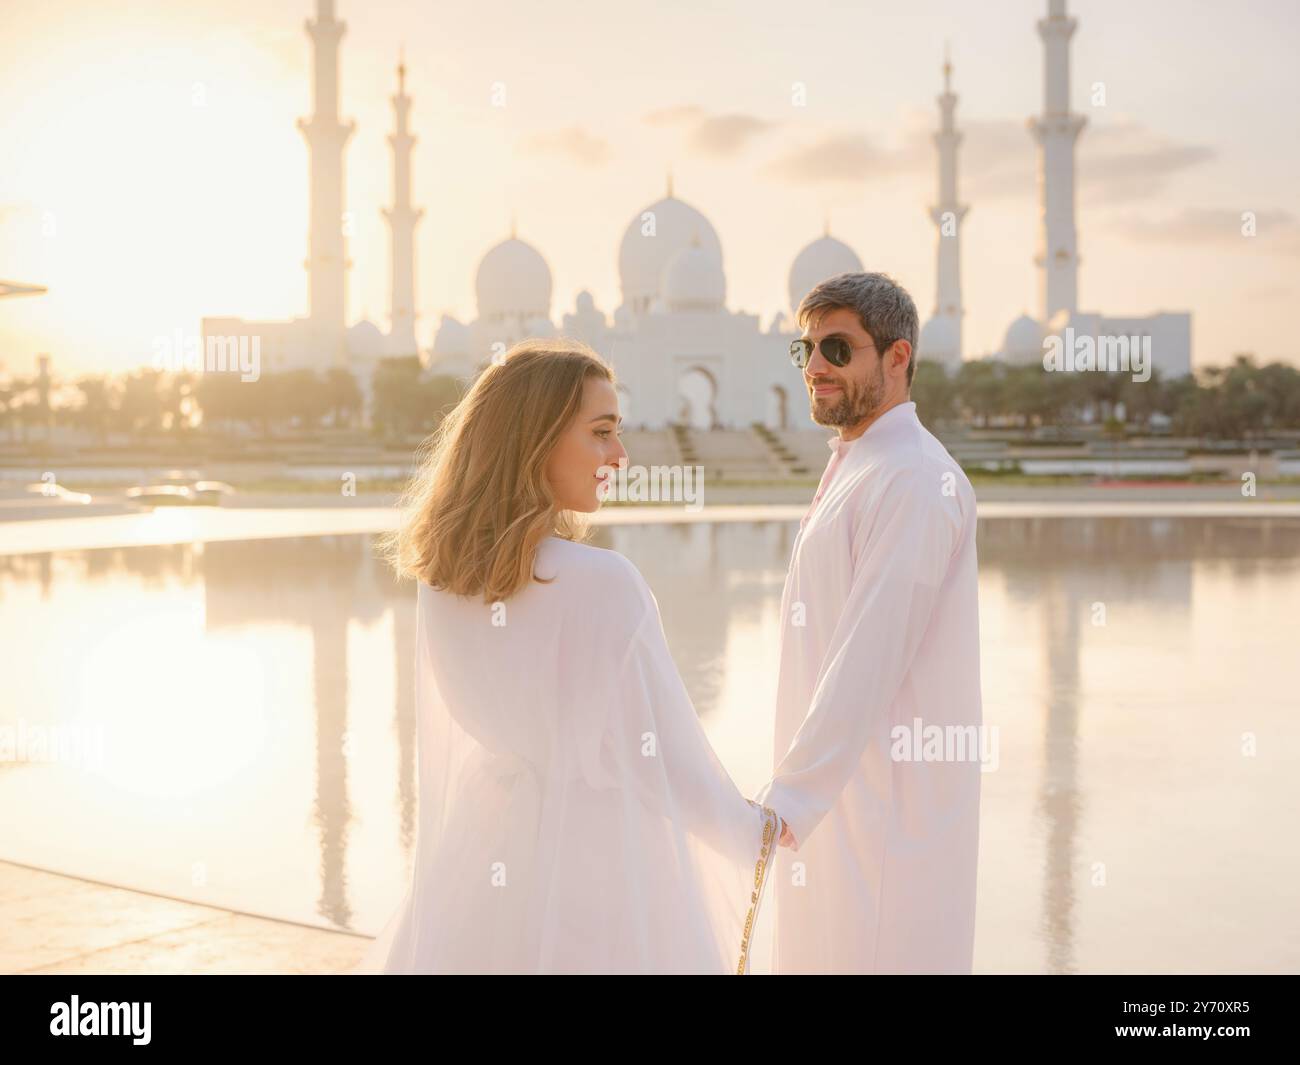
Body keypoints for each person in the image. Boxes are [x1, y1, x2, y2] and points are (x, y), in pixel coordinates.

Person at [353, 338, 778, 974]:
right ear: (536, 439)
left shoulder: (442, 578)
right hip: (599, 863)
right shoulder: (602, 582)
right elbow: (665, 759)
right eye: (601, 433)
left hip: (484, 851)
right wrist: (762, 832)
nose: (620, 454)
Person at [755, 271, 983, 974]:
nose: (816, 366)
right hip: (836, 803)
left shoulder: (914, 478)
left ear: (897, 357)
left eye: (836, 347)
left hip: (886, 814)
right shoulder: (860, 465)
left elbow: (871, 652)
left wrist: (788, 799)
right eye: (806, 351)